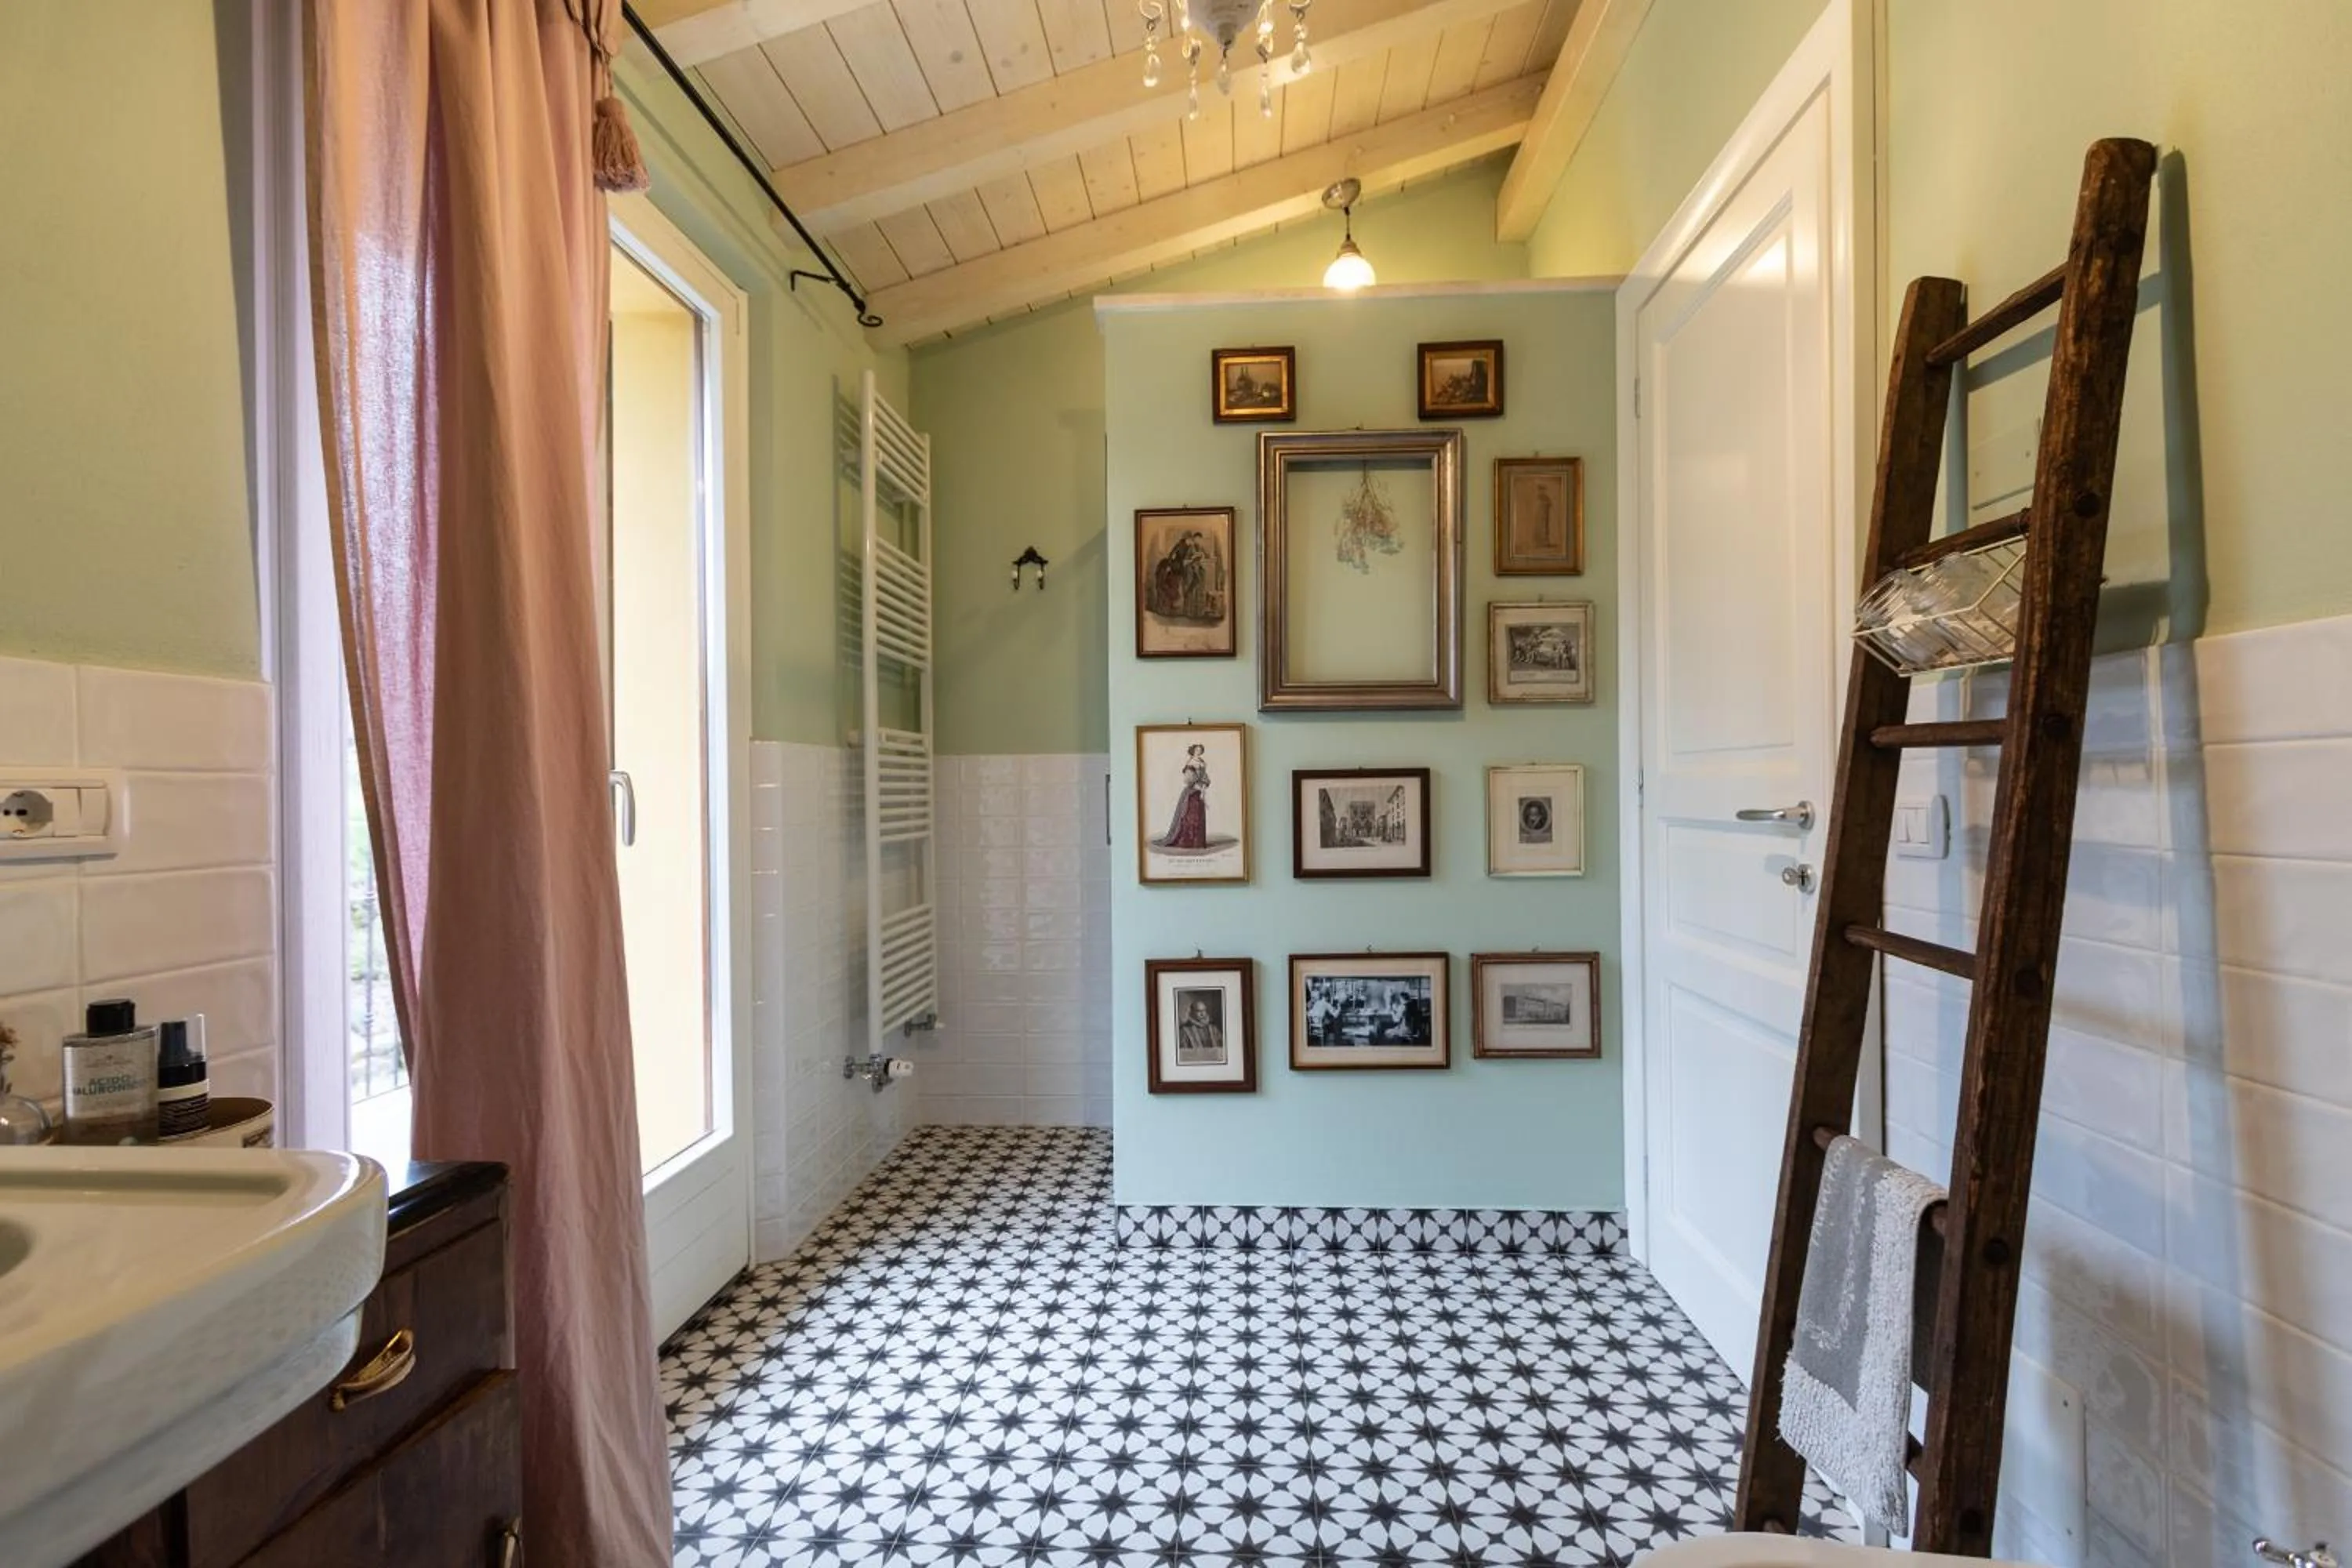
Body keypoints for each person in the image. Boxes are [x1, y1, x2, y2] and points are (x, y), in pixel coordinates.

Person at [1155, 743, 1211, 851]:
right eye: (1197, 750)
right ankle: (1188, 842)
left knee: (1199, 816)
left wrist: (1204, 787)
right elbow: (1188, 779)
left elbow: (1205, 776)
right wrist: (1198, 787)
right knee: (1190, 816)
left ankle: (1198, 842)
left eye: (1200, 750)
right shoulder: (1190, 762)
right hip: (1191, 792)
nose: (1199, 752)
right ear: (1193, 751)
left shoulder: (1202, 762)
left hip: (1200, 791)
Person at [1178, 999, 1224, 1063]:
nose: (1202, 1014)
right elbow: (1183, 1053)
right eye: (1198, 1011)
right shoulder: (1184, 1030)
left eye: (1204, 1010)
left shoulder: (1213, 1028)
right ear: (1192, 1012)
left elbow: (1222, 1047)